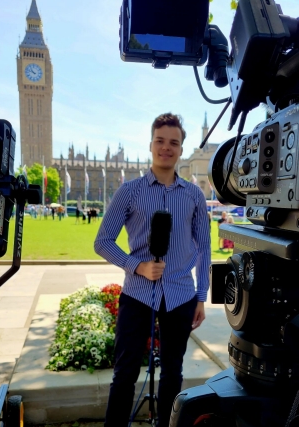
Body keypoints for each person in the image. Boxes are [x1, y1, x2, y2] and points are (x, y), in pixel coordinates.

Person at [94, 112, 211, 427]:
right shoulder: (130, 191)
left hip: (180, 296)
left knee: (173, 371)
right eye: (160, 141)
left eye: (174, 143)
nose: (166, 148)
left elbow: (203, 248)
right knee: (125, 372)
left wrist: (201, 296)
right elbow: (102, 241)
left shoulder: (194, 195)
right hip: (137, 293)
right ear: (151, 144)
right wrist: (138, 266)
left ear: (181, 149)